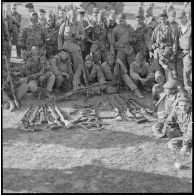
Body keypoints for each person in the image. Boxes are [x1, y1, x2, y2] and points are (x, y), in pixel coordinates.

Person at [151, 9, 177, 81]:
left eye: (164, 19)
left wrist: (174, 53)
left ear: (167, 19)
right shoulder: (157, 28)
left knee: (167, 69)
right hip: (157, 52)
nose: (162, 21)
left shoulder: (171, 29)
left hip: (167, 52)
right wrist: (153, 46)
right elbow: (152, 40)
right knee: (158, 70)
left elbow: (174, 41)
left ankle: (169, 86)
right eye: (160, 19)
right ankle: (160, 86)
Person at [58, 9, 85, 73]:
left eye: (76, 16)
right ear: (69, 16)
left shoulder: (79, 25)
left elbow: (83, 34)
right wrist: (60, 48)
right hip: (66, 48)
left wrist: (79, 38)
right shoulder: (64, 25)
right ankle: (69, 80)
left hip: (75, 46)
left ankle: (77, 80)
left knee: (77, 65)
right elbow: (60, 37)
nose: (75, 18)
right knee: (66, 66)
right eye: (73, 16)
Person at [177, 11, 192, 95]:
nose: (181, 20)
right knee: (180, 70)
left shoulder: (190, 27)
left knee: (188, 70)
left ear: (186, 17)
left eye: (182, 18)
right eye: (179, 19)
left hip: (188, 51)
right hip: (180, 52)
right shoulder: (180, 28)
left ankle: (189, 88)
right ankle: (183, 88)